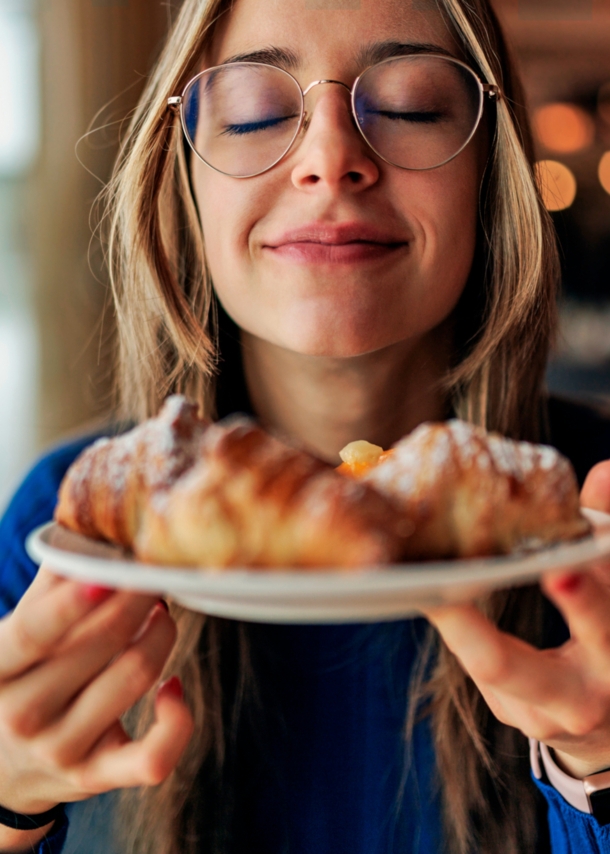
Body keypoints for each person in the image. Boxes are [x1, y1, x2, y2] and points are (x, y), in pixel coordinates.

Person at [1, 0, 610, 852]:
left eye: (408, 105)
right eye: (255, 111)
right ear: (185, 176)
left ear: (490, 171)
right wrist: (9, 807)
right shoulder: (64, 533)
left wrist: (601, 768)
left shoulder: (595, 518)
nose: (330, 160)